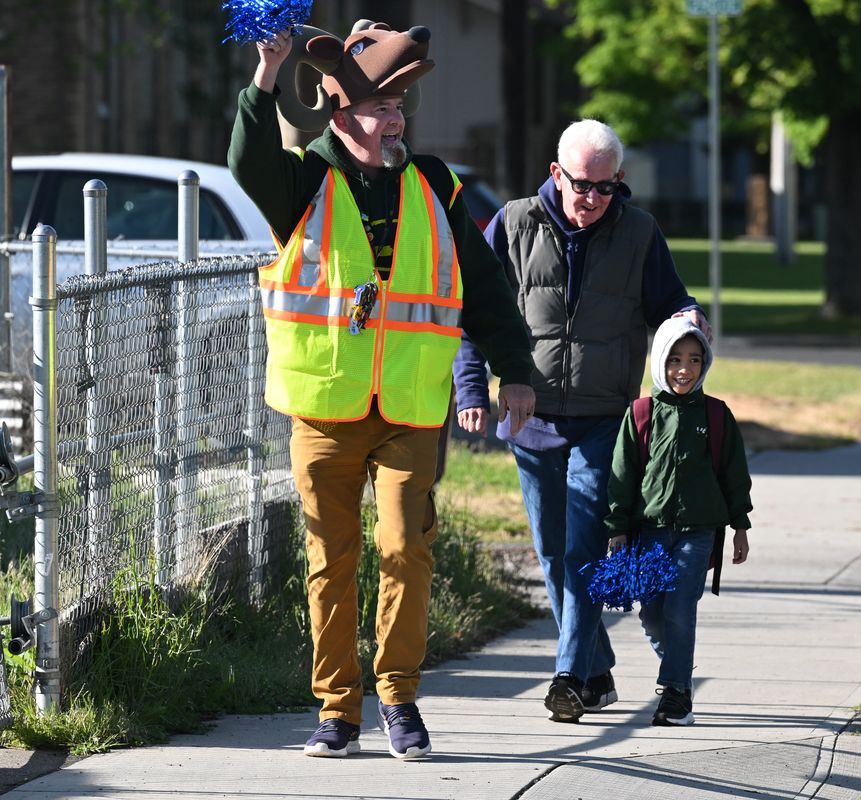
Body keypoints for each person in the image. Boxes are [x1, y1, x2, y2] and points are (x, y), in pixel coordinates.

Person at [228, 22, 535, 759]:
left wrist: (514, 370)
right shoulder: (304, 180)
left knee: (405, 549)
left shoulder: (435, 184)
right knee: (331, 562)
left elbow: (484, 286)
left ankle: (398, 698)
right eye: (381, 108)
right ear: (341, 115)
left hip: (410, 410)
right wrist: (267, 75)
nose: (396, 119)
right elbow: (247, 163)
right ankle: (338, 710)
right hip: (326, 408)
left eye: (401, 107)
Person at [453, 119, 709, 723]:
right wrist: (471, 386)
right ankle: (596, 672)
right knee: (548, 550)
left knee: (582, 550)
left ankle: (569, 677)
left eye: (604, 187)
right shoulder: (512, 224)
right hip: (529, 414)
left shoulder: (639, 232)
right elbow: (474, 311)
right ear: (555, 174)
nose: (591, 199)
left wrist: (690, 315)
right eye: (580, 185)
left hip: (605, 420)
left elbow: (669, 301)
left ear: (619, 181)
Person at [605, 316, 752, 726]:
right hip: (649, 532)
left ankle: (675, 694)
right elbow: (622, 474)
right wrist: (616, 528)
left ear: (705, 363)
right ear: (659, 362)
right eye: (674, 359)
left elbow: (734, 475)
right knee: (652, 612)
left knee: (681, 607)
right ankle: (681, 671)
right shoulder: (640, 414)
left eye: (694, 359)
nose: (684, 369)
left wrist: (740, 526)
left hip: (698, 531)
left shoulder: (717, 415)